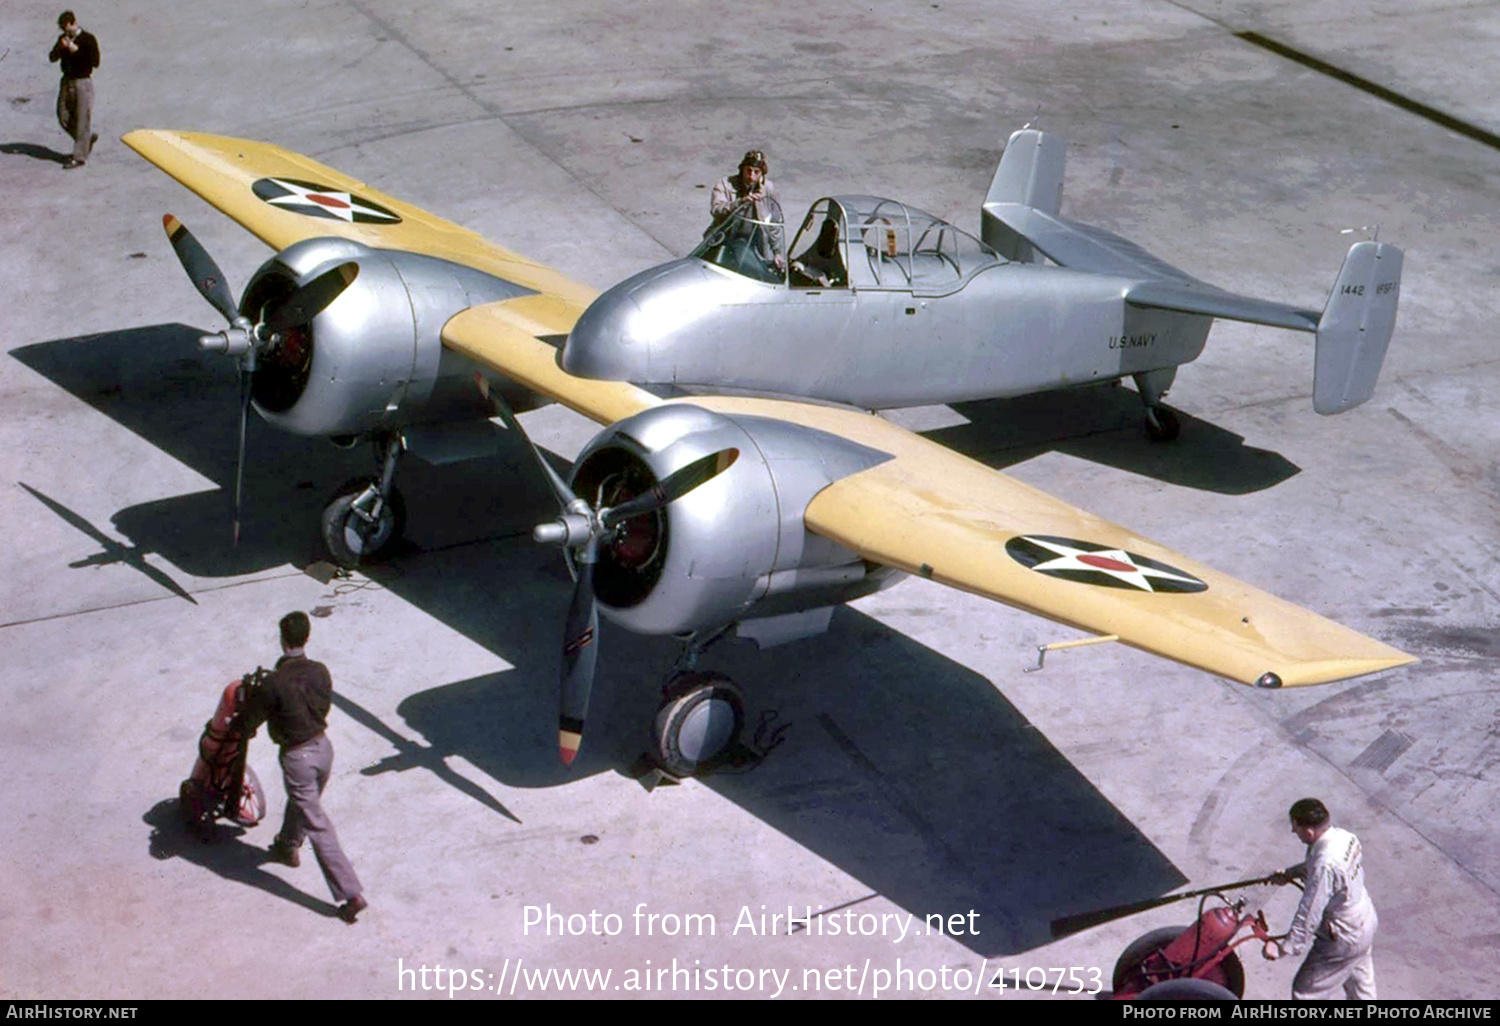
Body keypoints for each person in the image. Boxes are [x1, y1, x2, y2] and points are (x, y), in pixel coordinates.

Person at [238, 611, 368, 923]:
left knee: (317, 822)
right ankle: (287, 846)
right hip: (324, 750)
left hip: (297, 758)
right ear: (307, 637)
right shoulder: (320, 671)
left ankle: (352, 894)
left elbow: (249, 723)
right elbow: (322, 705)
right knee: (304, 802)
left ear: (282, 638)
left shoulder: (274, 682)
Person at [1262, 798, 1377, 999]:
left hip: (1343, 936)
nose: (1293, 832)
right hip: (1364, 922)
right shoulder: (1345, 837)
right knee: (1361, 990)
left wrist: (1283, 949)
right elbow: (1327, 869)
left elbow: (1309, 912)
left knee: (1306, 992)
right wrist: (1291, 873)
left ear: (1309, 832)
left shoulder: (1325, 864)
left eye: (1295, 828)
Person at [48, 11, 99, 169]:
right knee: (63, 116)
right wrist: (61, 48)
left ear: (74, 23)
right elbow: (52, 57)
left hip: (82, 82)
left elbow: (95, 62)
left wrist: (76, 50)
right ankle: (85, 140)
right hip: (67, 81)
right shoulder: (63, 39)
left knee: (82, 119)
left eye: (67, 27)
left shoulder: (88, 39)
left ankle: (79, 157)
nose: (66, 31)